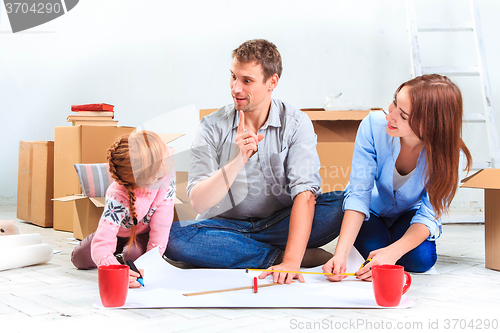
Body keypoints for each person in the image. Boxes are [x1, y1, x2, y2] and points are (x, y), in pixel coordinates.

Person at [165, 39, 344, 284]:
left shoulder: (295, 123)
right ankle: (274, 256)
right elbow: (198, 202)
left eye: (247, 81)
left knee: (345, 204)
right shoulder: (211, 126)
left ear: (272, 82)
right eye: (233, 77)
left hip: (281, 223)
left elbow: (305, 194)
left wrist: (291, 263)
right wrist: (238, 160)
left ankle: (252, 253)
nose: (235, 88)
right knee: (173, 238)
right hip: (224, 227)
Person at [322, 74, 472, 281]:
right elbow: (359, 193)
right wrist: (340, 255)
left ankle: (392, 246)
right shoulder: (372, 127)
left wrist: (392, 253)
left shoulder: (453, 156)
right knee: (373, 250)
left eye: (403, 116)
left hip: (408, 214)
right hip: (370, 210)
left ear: (430, 127)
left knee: (420, 260)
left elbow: (429, 215)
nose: (389, 116)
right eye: (394, 103)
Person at [71, 130, 176, 288]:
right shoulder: (117, 194)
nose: (171, 155)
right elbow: (103, 241)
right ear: (150, 177)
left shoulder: (166, 179)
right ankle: (117, 257)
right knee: (79, 258)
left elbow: (161, 227)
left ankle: (123, 258)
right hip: (118, 233)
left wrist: (151, 264)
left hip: (141, 234)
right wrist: (115, 271)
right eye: (164, 157)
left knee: (132, 254)